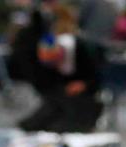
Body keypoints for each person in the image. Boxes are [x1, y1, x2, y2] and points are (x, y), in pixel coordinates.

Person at [17, 4, 105, 132]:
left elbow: (96, 76)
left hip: (81, 99)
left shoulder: (81, 47)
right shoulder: (50, 44)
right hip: (59, 95)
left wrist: (83, 85)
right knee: (39, 121)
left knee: (59, 122)